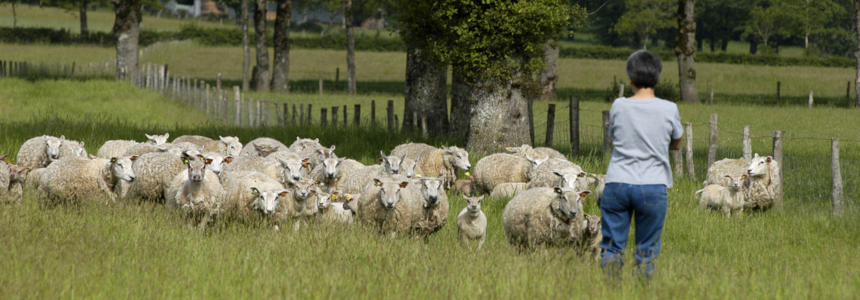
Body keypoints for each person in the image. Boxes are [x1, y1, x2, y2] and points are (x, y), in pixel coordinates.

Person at [600, 50, 683, 281]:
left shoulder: (619, 105)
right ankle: (643, 290)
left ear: (630, 79)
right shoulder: (669, 108)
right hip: (653, 184)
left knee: (612, 247)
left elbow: (615, 136)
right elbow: (676, 142)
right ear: (657, 78)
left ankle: (610, 289)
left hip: (617, 182)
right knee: (646, 252)